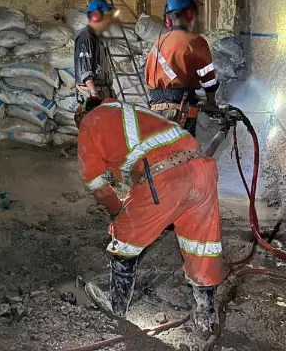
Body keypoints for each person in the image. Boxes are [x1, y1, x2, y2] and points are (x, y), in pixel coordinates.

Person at [75, 96, 223, 338]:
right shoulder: (130, 111)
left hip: (164, 178)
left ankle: (117, 305)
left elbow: (94, 182)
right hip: (202, 170)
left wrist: (116, 210)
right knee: (201, 245)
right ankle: (206, 315)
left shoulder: (89, 122)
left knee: (124, 239)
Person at [145, 0, 219, 136]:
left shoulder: (158, 42)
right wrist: (211, 102)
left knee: (158, 148)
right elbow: (208, 79)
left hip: (154, 109)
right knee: (184, 148)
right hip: (180, 110)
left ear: (168, 18)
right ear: (190, 14)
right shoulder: (195, 42)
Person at [74, 0, 117, 102]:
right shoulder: (85, 36)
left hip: (103, 93)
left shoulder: (97, 37)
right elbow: (85, 72)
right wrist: (94, 95)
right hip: (93, 95)